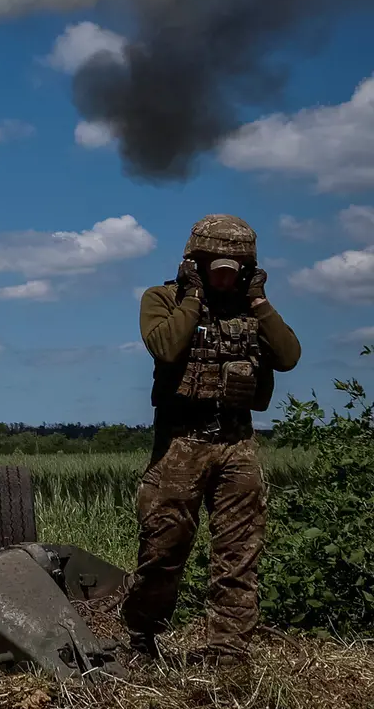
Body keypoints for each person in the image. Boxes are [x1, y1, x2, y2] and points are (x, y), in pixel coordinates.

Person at [122, 214, 301, 666]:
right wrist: (193, 298)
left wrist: (259, 300)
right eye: (214, 266)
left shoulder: (252, 308)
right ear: (195, 263)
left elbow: (289, 356)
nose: (225, 276)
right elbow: (165, 347)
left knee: (238, 553)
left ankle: (229, 652)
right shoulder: (163, 298)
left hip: (237, 443)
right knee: (164, 549)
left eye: (234, 269)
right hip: (181, 443)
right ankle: (142, 637)